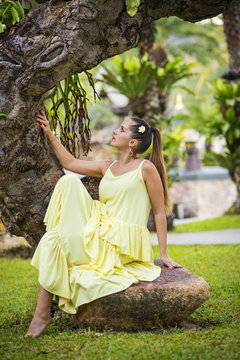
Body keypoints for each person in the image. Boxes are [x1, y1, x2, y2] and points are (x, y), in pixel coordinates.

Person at [25, 109, 183, 338]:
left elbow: (159, 213)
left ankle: (42, 315)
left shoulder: (145, 168)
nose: (114, 131)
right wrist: (50, 134)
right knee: (66, 190)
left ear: (132, 142)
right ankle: (42, 315)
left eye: (120, 129)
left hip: (122, 242)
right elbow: (69, 162)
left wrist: (164, 254)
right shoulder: (107, 166)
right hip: (99, 228)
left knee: (57, 240)